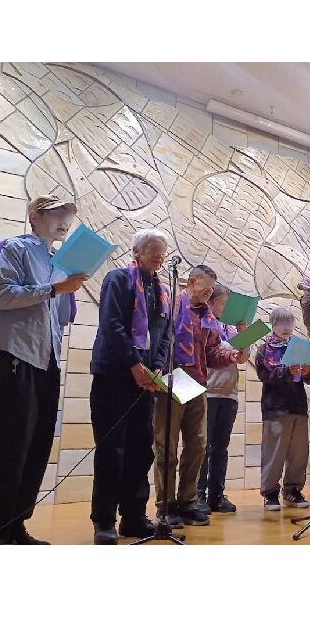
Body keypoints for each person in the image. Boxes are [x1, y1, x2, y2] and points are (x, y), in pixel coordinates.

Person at [0, 194, 87, 545]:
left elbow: (61, 318)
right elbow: (0, 293)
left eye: (68, 215)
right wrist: (54, 288)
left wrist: (66, 288)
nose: (64, 221)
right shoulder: (13, 248)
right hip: (11, 357)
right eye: (56, 213)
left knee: (35, 449)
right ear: (34, 216)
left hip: (45, 361)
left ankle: (15, 526)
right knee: (5, 449)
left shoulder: (59, 262)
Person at [88, 228, 171, 544]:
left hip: (146, 380)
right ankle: (104, 520)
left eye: (162, 251)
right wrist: (135, 364)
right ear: (137, 251)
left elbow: (164, 335)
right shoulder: (118, 280)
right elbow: (112, 326)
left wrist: (157, 366)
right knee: (112, 450)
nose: (159, 256)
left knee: (141, 449)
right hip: (115, 375)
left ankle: (134, 517)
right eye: (154, 249)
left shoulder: (162, 291)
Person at [152, 264, 241, 527]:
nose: (210, 293)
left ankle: (188, 502)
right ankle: (166, 505)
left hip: (198, 383)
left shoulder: (207, 317)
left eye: (213, 289)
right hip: (171, 380)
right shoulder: (171, 305)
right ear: (192, 281)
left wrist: (230, 356)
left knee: (198, 445)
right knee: (166, 447)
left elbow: (212, 353)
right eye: (207, 288)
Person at [253, 305, 310, 512]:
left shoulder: (299, 347)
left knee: (299, 453)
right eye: (281, 323)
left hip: (298, 405)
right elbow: (264, 376)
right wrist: (287, 371)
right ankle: (270, 493)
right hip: (275, 408)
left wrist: (307, 372)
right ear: (273, 325)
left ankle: (292, 490)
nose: (286, 327)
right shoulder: (264, 349)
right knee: (274, 453)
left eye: (289, 322)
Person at [197, 286, 240, 515]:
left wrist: (244, 336)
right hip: (208, 391)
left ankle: (216, 495)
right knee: (203, 447)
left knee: (221, 448)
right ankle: (198, 495)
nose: (226, 307)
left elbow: (242, 357)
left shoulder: (230, 328)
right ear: (211, 303)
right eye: (222, 303)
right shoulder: (205, 324)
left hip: (229, 393)